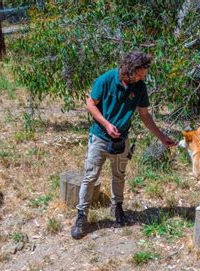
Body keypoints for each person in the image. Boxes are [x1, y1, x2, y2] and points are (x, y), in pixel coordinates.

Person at [71, 51, 176, 239]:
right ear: (130, 69)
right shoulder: (106, 80)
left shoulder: (140, 87)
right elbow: (90, 104)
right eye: (141, 73)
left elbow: (144, 115)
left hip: (122, 140)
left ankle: (117, 208)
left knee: (119, 175)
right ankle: (81, 216)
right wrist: (106, 124)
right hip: (100, 138)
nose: (143, 77)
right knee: (90, 176)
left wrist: (161, 137)